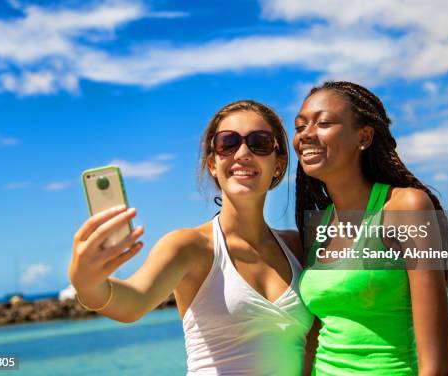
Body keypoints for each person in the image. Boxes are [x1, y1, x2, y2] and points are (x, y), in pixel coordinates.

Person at [68, 100, 313, 375]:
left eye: (260, 142)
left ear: (278, 164)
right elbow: (132, 303)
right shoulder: (190, 247)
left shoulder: (297, 246)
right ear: (212, 163)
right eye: (228, 143)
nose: (243, 153)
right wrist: (86, 282)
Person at [294, 81, 448, 375]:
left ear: (364, 136)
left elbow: (438, 365)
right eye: (300, 126)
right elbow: (314, 341)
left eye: (324, 123)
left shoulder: (406, 207)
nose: (305, 135)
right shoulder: (319, 225)